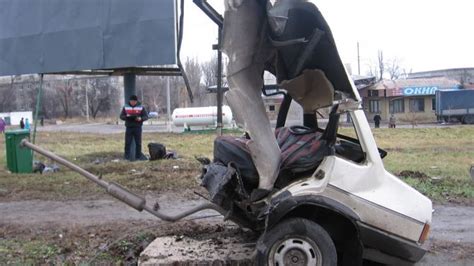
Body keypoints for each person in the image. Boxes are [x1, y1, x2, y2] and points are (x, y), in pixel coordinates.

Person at [120, 95, 148, 161]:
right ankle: (127, 157)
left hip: (137, 127)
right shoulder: (126, 107)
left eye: (134, 101)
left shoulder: (141, 107)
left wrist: (140, 118)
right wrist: (126, 117)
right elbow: (121, 116)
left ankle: (138, 157)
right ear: (129, 101)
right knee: (127, 143)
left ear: (136, 101)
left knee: (138, 143)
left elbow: (146, 116)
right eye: (132, 101)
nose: (133, 102)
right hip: (129, 127)